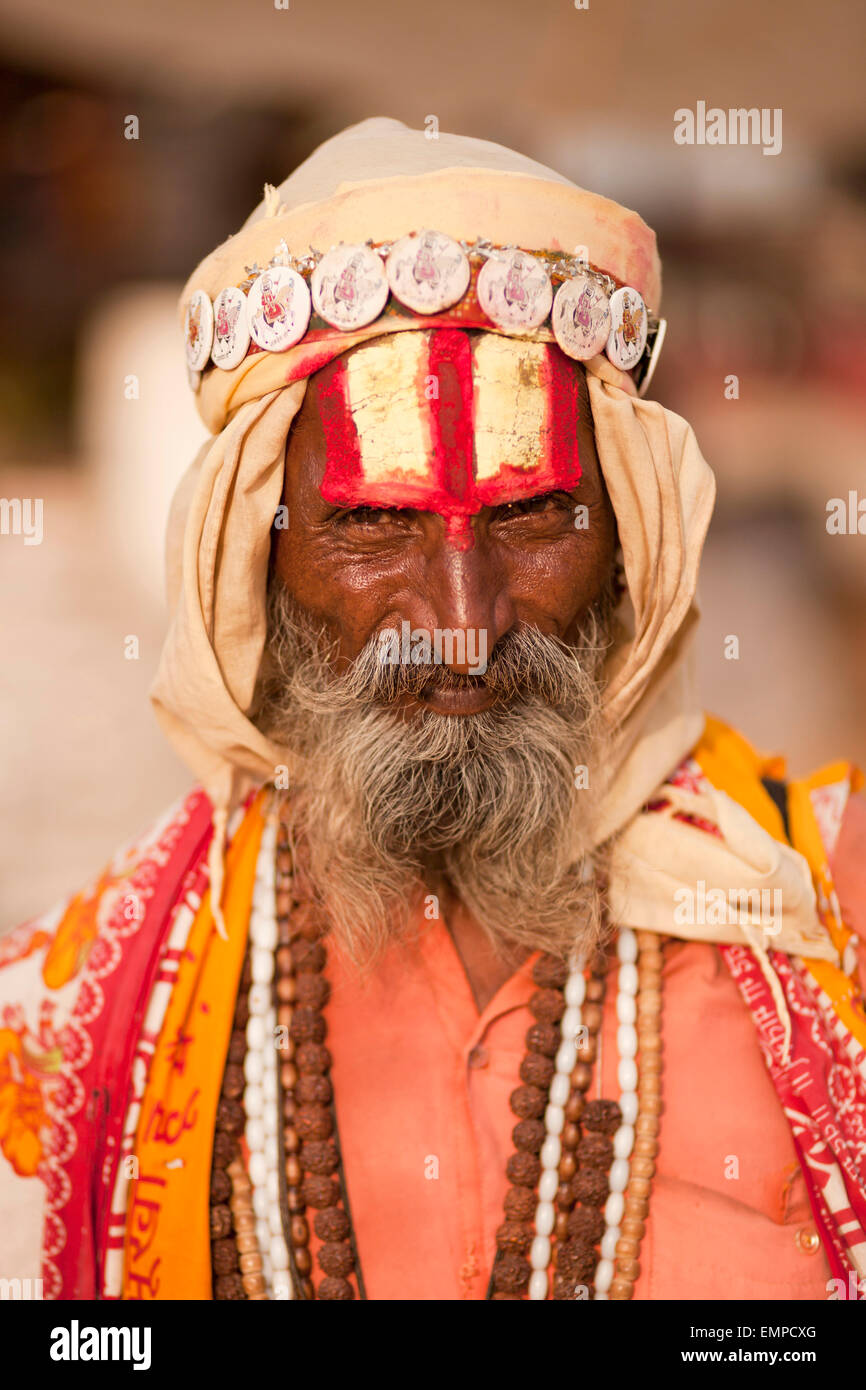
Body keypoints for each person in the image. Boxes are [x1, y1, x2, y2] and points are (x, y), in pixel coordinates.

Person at [1, 117, 864, 1303]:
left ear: (628, 542)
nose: (463, 614)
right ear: (256, 556)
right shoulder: (73, 1017)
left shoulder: (828, 923)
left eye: (531, 515)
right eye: (370, 524)